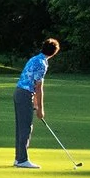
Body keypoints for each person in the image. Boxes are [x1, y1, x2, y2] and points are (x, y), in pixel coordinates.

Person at [13, 38, 57, 168]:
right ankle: (22, 160)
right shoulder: (42, 63)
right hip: (25, 94)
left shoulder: (35, 59)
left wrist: (35, 103)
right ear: (54, 52)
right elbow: (39, 87)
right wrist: (40, 109)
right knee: (25, 127)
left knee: (21, 127)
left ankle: (19, 158)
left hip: (19, 92)